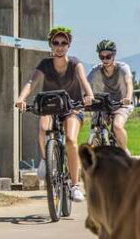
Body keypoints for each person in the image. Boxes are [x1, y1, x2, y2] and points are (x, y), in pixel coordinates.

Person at [15, 26, 94, 202]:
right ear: (51, 45)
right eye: (56, 43)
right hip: (50, 106)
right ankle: (46, 159)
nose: (59, 46)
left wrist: (89, 95)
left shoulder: (75, 63)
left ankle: (75, 186)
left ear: (69, 45)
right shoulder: (45, 64)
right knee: (43, 129)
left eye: (63, 43)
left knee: (71, 140)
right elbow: (31, 82)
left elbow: (83, 80)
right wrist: (21, 98)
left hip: (72, 107)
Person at [86, 39, 135, 152]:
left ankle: (124, 151)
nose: (105, 60)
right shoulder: (96, 70)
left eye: (108, 56)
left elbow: (129, 83)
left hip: (121, 103)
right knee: (96, 126)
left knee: (117, 126)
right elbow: (85, 84)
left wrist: (128, 97)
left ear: (114, 55)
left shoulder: (123, 68)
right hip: (104, 104)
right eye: (102, 57)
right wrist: (84, 97)